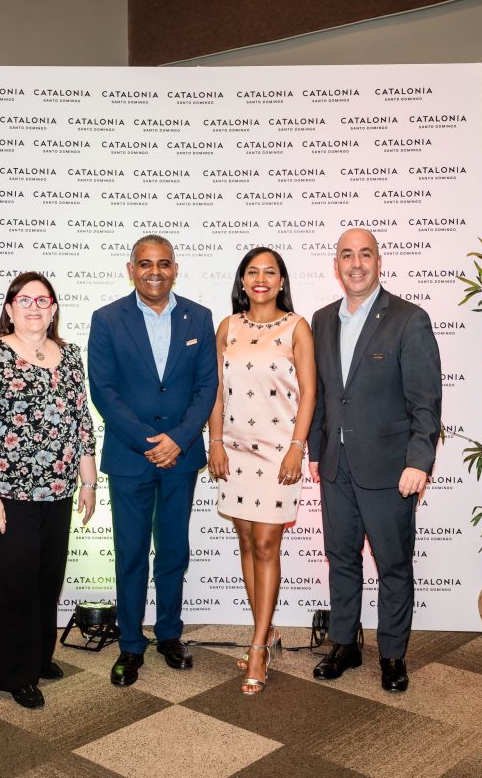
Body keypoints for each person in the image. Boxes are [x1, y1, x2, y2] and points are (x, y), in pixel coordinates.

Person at [307, 228, 442, 693]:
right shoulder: (321, 320)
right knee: (341, 558)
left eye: (365, 254)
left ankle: (392, 654)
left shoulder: (409, 319)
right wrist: (315, 452)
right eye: (348, 255)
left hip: (390, 469)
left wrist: (419, 461)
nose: (356, 263)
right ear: (337, 263)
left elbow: (426, 402)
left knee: (393, 564)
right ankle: (344, 644)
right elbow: (320, 395)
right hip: (335, 467)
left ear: (379, 261)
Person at [0, 271, 97, 709]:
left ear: (53, 308)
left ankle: (37, 657)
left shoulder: (70, 355)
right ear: (9, 308)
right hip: (7, 495)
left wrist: (87, 480)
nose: (34, 307)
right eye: (25, 299)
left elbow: (81, 422)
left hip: (56, 493)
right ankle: (13, 673)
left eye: (43, 300)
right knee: (11, 586)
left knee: (44, 582)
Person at [88, 234, 218, 688]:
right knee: (130, 554)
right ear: (131, 269)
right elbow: (103, 391)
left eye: (163, 263)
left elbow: (207, 387)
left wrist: (178, 440)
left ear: (175, 268)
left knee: (174, 552)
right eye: (145, 263)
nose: (154, 271)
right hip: (130, 458)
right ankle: (129, 644)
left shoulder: (199, 317)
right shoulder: (106, 320)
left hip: (180, 459)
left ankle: (168, 634)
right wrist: (150, 441)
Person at [206, 247, 315, 695]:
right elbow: (214, 390)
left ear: (282, 281)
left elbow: (309, 392)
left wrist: (296, 447)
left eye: (270, 272)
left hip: (278, 451)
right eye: (253, 272)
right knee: (247, 541)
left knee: (268, 541)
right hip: (234, 449)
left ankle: (257, 648)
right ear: (242, 281)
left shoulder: (297, 327)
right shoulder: (227, 327)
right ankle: (264, 630)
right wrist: (214, 442)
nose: (261, 279)